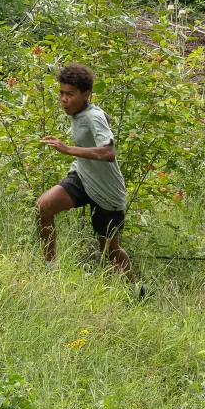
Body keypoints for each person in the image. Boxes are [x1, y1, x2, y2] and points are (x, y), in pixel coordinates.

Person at [34, 63, 143, 297]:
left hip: (107, 191)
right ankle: (49, 269)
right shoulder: (81, 112)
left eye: (70, 94)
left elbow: (108, 153)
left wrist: (67, 149)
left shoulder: (93, 116)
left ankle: (134, 291)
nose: (64, 99)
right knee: (44, 206)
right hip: (83, 177)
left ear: (86, 95)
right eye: (61, 93)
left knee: (110, 249)